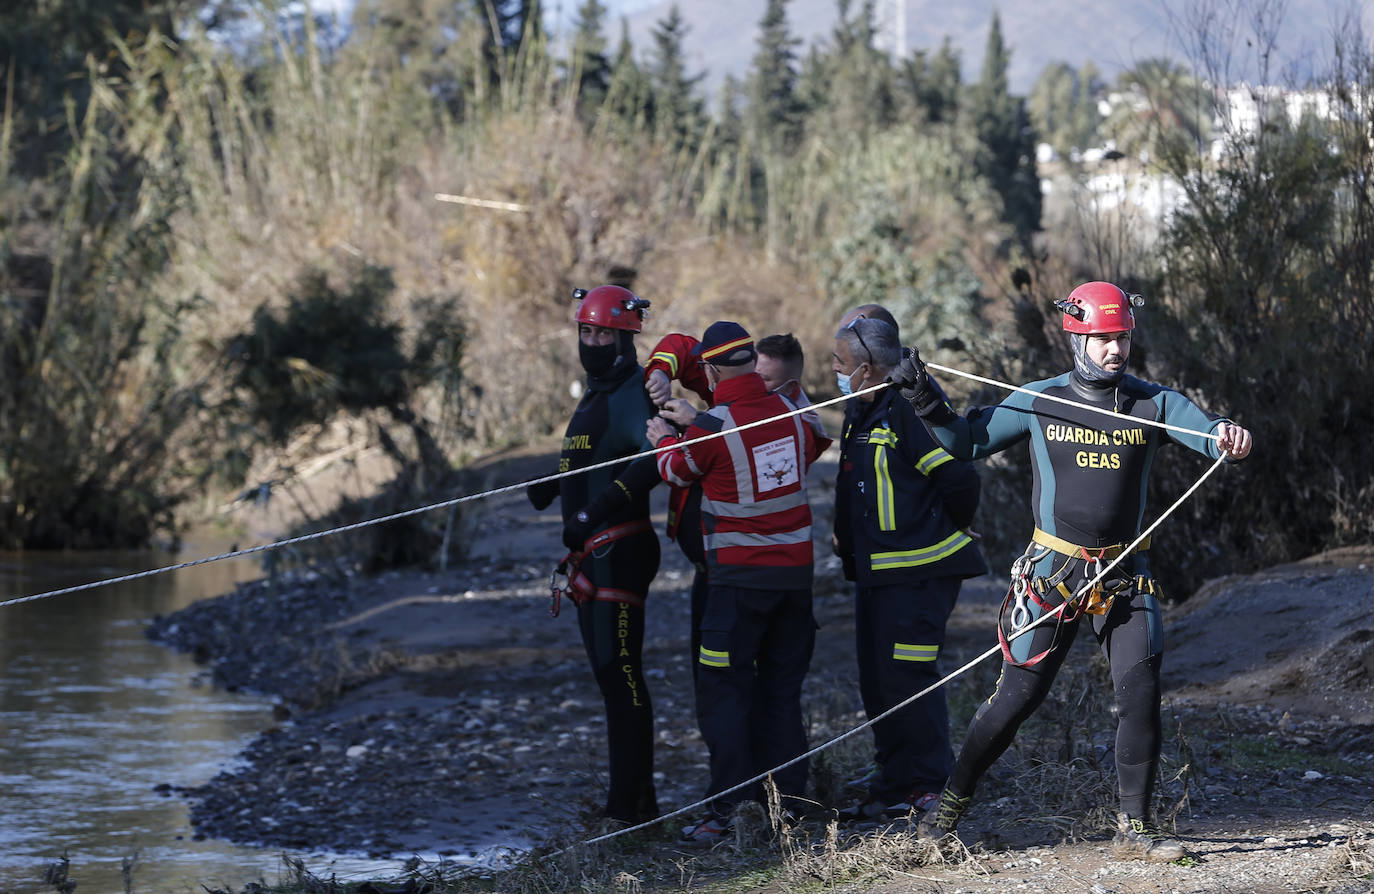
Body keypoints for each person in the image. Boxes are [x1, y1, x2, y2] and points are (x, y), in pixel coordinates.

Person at [888, 281, 1254, 860]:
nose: (1115, 349)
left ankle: (1135, 831)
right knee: (1016, 700)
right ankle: (945, 813)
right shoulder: (1036, 399)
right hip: (1051, 575)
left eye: (1123, 338)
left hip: (1125, 576)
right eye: (1103, 338)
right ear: (1075, 337)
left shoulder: (1154, 404)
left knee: (1141, 693)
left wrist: (1226, 437)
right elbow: (964, 441)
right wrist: (924, 396)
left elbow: (1205, 432)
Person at [646, 321, 825, 842]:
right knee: (781, 696)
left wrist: (664, 437)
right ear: (753, 361)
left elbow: (677, 471)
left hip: (737, 587)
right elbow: (813, 441)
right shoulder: (793, 415)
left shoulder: (711, 426)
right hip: (795, 583)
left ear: (710, 370)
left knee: (723, 694)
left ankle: (729, 814)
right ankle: (787, 809)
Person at [830, 316, 988, 821]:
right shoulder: (859, 408)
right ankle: (893, 782)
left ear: (869, 367)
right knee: (878, 682)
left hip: (919, 572)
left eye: (841, 363)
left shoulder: (909, 407)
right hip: (877, 575)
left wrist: (953, 526)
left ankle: (930, 784)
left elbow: (959, 477)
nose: (834, 370)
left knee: (911, 678)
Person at [525, 284, 664, 824]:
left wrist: (594, 511)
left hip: (621, 551)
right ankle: (636, 802)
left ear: (627, 336)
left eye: (604, 332)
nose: (593, 341)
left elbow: (651, 460)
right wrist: (554, 485)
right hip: (590, 557)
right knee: (610, 678)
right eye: (586, 331)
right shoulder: (593, 394)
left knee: (620, 675)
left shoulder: (633, 391)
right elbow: (599, 457)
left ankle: (628, 810)